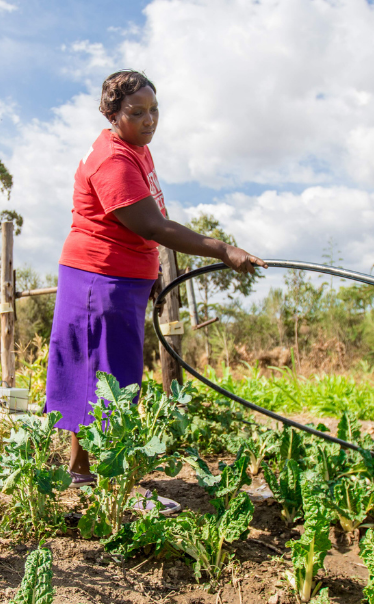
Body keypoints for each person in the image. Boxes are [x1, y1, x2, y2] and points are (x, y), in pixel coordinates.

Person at [45, 69, 267, 510]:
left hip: (116, 279)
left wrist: (146, 279)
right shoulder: (113, 160)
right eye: (137, 112)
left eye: (154, 110)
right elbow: (153, 226)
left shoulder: (135, 148)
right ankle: (117, 486)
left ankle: (82, 473)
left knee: (100, 375)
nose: (149, 120)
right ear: (112, 115)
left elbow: (141, 228)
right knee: (110, 383)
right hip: (98, 278)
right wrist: (223, 249)